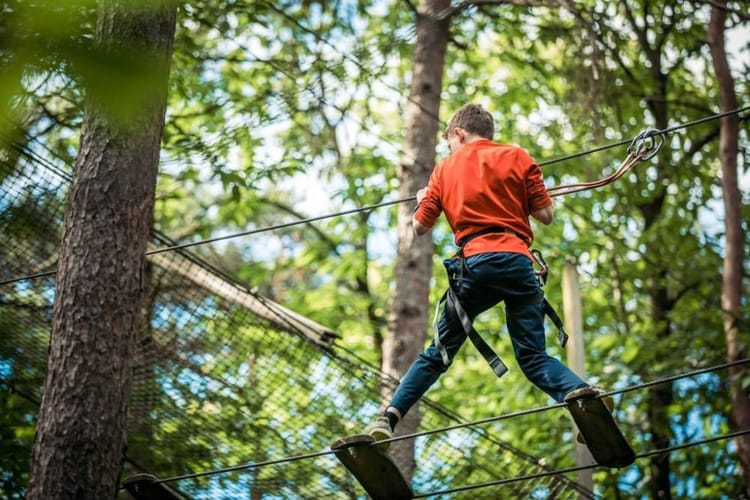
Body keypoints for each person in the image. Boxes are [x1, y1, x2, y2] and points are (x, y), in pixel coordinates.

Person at [369, 103, 602, 445]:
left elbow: (420, 226)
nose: (449, 149)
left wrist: (423, 200)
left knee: (439, 353)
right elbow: (546, 215)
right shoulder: (519, 157)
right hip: (518, 265)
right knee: (534, 357)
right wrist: (515, 200)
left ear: (458, 134)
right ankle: (581, 394)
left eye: (449, 142)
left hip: (474, 267)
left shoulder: (444, 169)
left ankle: (388, 419)